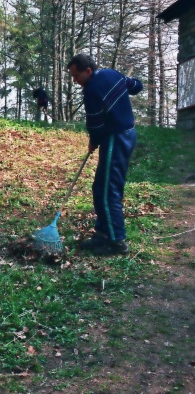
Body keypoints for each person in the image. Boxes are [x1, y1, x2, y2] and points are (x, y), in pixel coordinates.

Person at [67, 53, 143, 256]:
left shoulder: (91, 90)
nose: (75, 81)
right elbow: (137, 86)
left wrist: (93, 141)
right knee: (99, 186)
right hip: (125, 134)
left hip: (116, 138)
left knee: (109, 189)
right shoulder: (112, 74)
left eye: (76, 76)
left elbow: (96, 125)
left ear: (88, 71)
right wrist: (126, 84)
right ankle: (102, 233)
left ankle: (116, 241)